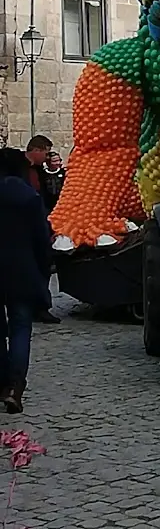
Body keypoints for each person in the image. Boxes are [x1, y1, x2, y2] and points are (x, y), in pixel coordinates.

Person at [0, 148, 52, 413]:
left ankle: (1, 381)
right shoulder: (28, 197)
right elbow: (41, 239)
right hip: (21, 270)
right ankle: (15, 386)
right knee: (21, 328)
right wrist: (43, 271)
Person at [12, 135, 60, 325]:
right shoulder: (20, 169)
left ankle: (40, 306)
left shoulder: (39, 171)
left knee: (44, 265)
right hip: (25, 224)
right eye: (46, 153)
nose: (47, 158)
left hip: (40, 220)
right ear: (37, 150)